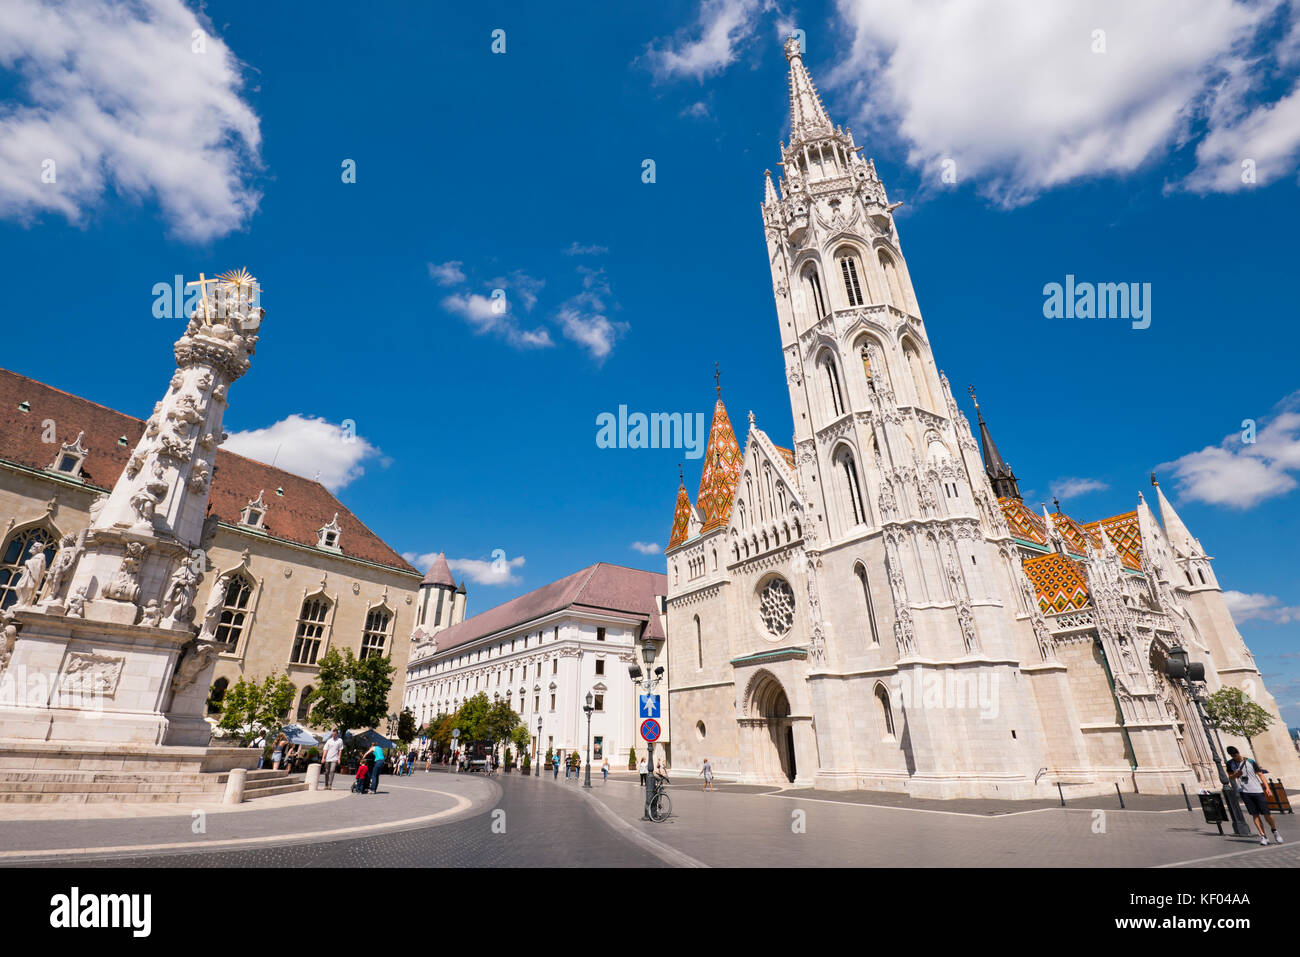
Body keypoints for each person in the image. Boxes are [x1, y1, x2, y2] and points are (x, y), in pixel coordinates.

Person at [1227, 746, 1283, 845]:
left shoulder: (1250, 761)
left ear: (1238, 752)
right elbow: (1230, 778)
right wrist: (1236, 775)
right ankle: (1263, 836)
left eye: (1236, 755)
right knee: (1255, 814)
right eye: (1233, 756)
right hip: (1244, 792)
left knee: (1267, 814)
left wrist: (1267, 788)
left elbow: (1260, 774)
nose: (1235, 757)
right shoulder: (1230, 764)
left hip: (1257, 790)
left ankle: (1274, 831)